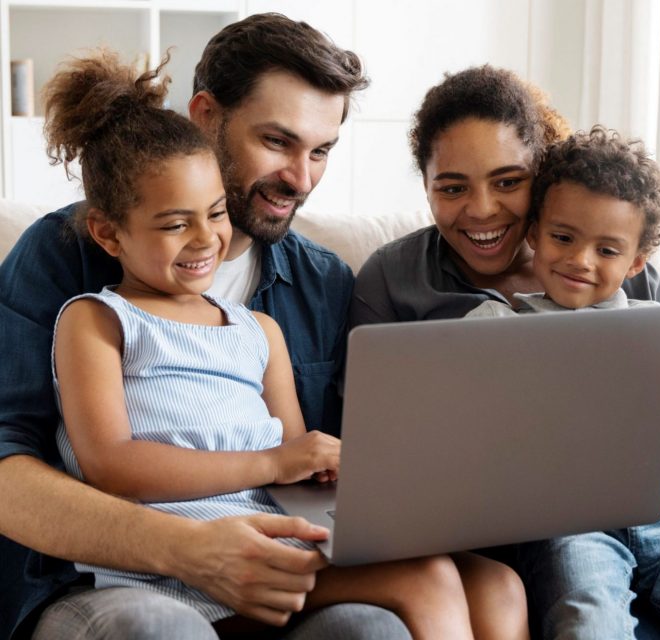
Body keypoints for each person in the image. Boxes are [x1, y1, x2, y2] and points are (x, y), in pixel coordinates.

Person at [42, 49, 529, 640]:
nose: (205, 239)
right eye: (175, 223)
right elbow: (110, 465)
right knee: (426, 580)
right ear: (106, 232)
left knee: (497, 581)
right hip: (170, 556)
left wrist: (358, 473)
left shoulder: (257, 330)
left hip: (276, 532)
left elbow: (301, 465)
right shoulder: (98, 319)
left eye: (216, 212)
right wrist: (277, 461)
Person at [0, 13, 409, 640]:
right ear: (205, 114)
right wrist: (188, 551)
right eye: (278, 142)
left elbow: (309, 465)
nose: (301, 180)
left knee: (370, 626)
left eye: (321, 151)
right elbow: (8, 466)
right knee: (153, 625)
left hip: (272, 561)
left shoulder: (323, 284)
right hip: (103, 580)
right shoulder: (65, 257)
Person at [350, 64, 660, 637]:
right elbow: (390, 433)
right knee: (587, 613)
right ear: (425, 185)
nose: (483, 210)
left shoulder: (639, 301)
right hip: (542, 525)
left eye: (506, 181)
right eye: (452, 187)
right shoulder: (436, 295)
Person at [465, 125, 660, 639]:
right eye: (564, 237)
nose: (581, 260)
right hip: (568, 522)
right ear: (533, 234)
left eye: (608, 251)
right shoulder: (495, 324)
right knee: (590, 620)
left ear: (637, 261)